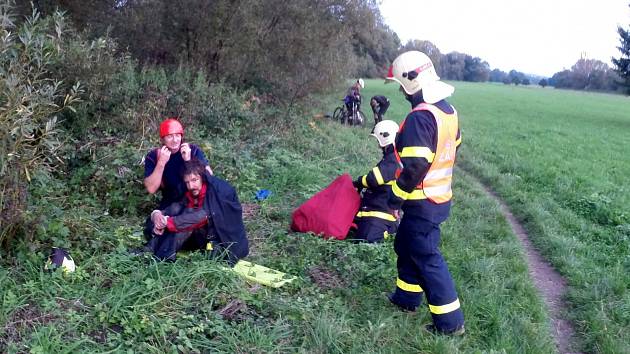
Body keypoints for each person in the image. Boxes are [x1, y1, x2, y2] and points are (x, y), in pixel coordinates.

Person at [384, 50, 465, 336]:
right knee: (405, 246)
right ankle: (406, 298)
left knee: (425, 256)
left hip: (422, 202)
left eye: (400, 85)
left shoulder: (420, 117)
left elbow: (416, 165)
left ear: (411, 82)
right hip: (438, 198)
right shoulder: (447, 111)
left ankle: (450, 323)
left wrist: (395, 198)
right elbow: (453, 146)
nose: (400, 91)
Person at [146, 159, 248, 265]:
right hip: (198, 237)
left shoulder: (216, 192)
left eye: (194, 180)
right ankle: (149, 249)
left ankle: (163, 259)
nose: (191, 186)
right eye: (187, 182)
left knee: (186, 220)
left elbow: (200, 217)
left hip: (219, 240)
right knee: (179, 212)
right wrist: (157, 215)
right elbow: (175, 208)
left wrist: (167, 222)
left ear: (202, 178)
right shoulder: (190, 192)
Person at [144, 118, 213, 210]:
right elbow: (151, 189)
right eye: (170, 136)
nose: (175, 140)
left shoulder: (193, 150)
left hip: (195, 199)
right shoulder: (153, 156)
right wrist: (161, 163)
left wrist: (188, 161)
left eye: (177, 136)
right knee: (156, 222)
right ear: (163, 139)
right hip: (170, 202)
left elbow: (209, 178)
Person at [351, 120, 400, 243]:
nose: (379, 145)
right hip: (377, 206)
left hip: (382, 210)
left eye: (379, 141)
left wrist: (359, 182)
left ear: (386, 138)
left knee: (365, 240)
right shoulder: (393, 156)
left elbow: (374, 179)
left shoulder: (393, 159)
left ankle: (387, 231)